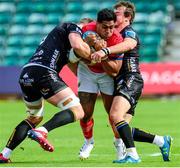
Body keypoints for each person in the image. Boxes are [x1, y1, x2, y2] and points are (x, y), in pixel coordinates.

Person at [0, 20, 94, 163]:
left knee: (34, 118)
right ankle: (42, 131)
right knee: (78, 111)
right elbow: (81, 52)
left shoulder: (57, 36)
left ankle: (4, 154)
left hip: (27, 72)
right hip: (45, 72)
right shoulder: (73, 28)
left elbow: (73, 58)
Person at [91, 1, 172, 163]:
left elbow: (129, 44)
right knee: (119, 127)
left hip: (131, 78)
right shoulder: (112, 35)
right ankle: (161, 141)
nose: (114, 15)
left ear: (127, 17)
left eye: (118, 13)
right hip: (121, 81)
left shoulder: (129, 33)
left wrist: (104, 51)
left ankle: (133, 155)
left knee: (115, 115)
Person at [76, 9, 124, 159]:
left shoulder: (117, 38)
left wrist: (101, 52)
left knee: (113, 114)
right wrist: (89, 54)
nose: (109, 31)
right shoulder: (86, 30)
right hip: (87, 71)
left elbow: (114, 71)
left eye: (112, 27)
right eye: (105, 27)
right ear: (96, 24)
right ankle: (89, 141)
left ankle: (119, 143)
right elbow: (76, 54)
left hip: (106, 75)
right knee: (85, 114)